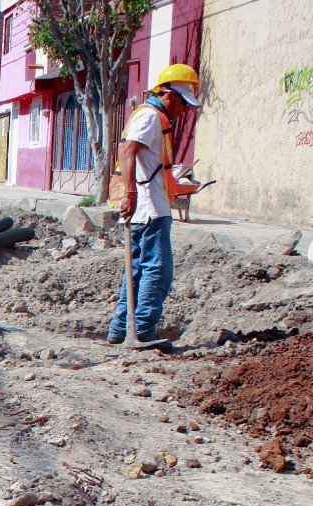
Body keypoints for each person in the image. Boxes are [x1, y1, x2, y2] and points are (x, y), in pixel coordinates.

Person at [105, 64, 205, 344]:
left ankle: (121, 331)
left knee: (136, 271)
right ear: (170, 94)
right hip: (149, 210)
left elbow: (149, 163)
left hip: (147, 207)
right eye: (184, 103)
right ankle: (143, 331)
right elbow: (128, 151)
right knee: (157, 271)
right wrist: (131, 194)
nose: (184, 111)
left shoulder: (153, 117)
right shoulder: (150, 117)